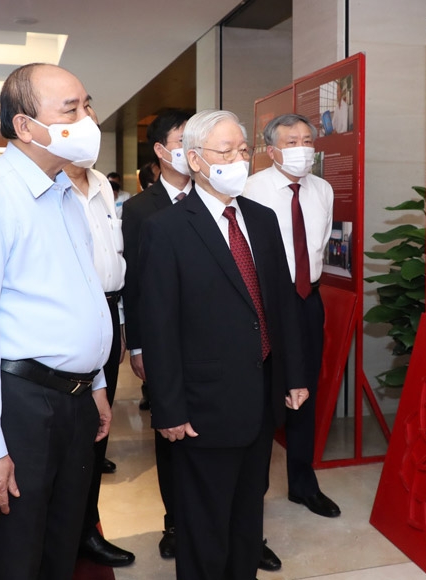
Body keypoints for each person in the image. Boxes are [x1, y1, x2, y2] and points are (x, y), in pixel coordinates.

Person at [0, 63, 113, 580]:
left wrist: (97, 381)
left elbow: (83, 297)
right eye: (71, 110)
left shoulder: (64, 194)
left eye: (86, 105)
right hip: (17, 405)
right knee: (10, 559)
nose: (87, 119)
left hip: (73, 401)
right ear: (25, 126)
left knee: (58, 551)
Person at [139, 109, 308, 580]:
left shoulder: (262, 217)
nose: (238, 158)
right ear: (194, 159)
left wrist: (293, 376)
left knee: (247, 518)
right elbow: (158, 326)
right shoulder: (167, 229)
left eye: (242, 150)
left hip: (260, 399)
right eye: (224, 151)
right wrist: (168, 409)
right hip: (202, 407)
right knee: (204, 525)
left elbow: (281, 305)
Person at [244, 114, 340, 521]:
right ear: (271, 150)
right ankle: (252, 499)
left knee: (306, 393)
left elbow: (317, 246)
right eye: (292, 141)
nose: (303, 148)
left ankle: (303, 483)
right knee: (264, 397)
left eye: (307, 140)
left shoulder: (322, 189)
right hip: (264, 304)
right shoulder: (251, 190)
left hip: (307, 301)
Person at [120, 108, 192, 558]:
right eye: (184, 140)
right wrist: (139, 343)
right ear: (162, 151)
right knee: (171, 434)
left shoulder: (222, 197)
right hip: (166, 341)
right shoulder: (141, 209)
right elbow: (136, 281)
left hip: (215, 341)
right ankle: (175, 524)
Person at [62, 161, 135, 567]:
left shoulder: (102, 188)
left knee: (97, 430)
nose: (85, 118)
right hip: (70, 316)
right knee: (69, 430)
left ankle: (85, 527)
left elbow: (114, 258)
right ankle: (63, 529)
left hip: (107, 310)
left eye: (88, 107)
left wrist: (119, 323)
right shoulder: (47, 186)